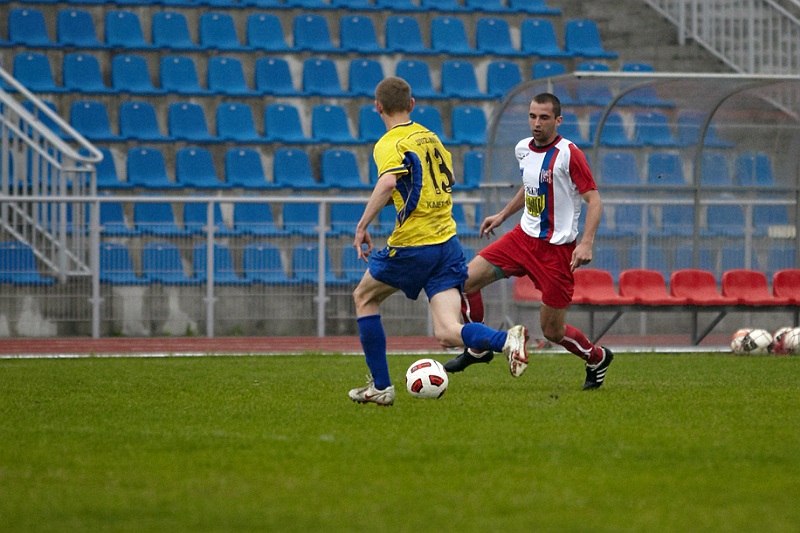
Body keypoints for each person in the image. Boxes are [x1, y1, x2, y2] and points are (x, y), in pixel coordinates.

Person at [348, 76, 529, 406]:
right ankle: (506, 341)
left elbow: (388, 183)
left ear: (378, 107)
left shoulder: (389, 143)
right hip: (447, 245)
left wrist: (362, 225)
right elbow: (449, 179)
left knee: (364, 297)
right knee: (447, 331)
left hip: (414, 244)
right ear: (412, 104)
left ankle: (381, 386)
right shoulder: (430, 137)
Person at [443, 92, 614, 390]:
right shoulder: (523, 148)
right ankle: (478, 347)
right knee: (465, 281)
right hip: (521, 239)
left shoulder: (569, 154)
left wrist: (586, 243)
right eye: (533, 116)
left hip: (556, 252)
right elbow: (529, 187)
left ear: (558, 120)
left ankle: (597, 357)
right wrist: (502, 215)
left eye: (544, 117)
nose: (537, 123)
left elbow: (595, 201)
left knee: (552, 331)